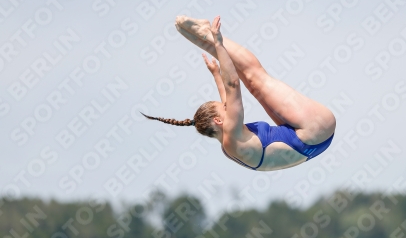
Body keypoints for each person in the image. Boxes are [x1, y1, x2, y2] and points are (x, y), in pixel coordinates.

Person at [142, 16, 336, 171]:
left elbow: (228, 96)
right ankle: (206, 34)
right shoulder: (231, 135)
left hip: (314, 143)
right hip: (313, 128)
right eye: (223, 108)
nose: (227, 106)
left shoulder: (228, 143)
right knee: (256, 77)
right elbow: (233, 85)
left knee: (253, 84)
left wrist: (217, 74)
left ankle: (203, 35)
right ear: (219, 121)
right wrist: (218, 44)